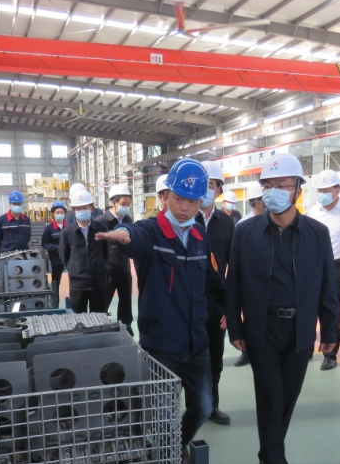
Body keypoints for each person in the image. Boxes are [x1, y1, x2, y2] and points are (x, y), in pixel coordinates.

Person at [226, 153, 339, 464]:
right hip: (262, 329)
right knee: (271, 399)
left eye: (281, 185)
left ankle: (268, 454)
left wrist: (330, 329)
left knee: (286, 400)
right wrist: (236, 327)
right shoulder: (245, 232)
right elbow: (234, 283)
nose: (273, 191)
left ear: (297, 190)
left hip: (300, 329)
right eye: (268, 185)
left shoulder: (317, 234)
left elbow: (328, 284)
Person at [94, 158, 213, 448]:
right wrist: (124, 235)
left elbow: (210, 283)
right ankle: (163, 458)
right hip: (162, 346)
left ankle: (176, 448)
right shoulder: (152, 231)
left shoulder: (200, 236)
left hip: (197, 344)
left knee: (203, 408)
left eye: (192, 201)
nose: (184, 207)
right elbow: (137, 236)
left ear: (201, 202)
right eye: (179, 198)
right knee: (160, 414)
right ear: (166, 196)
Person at [307, 169, 340, 371]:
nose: (323, 194)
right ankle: (306, 347)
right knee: (309, 307)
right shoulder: (313, 212)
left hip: (336, 266)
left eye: (327, 190)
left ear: (338, 190)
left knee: (332, 309)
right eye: (320, 190)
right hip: (312, 265)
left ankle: (330, 354)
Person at [197, 161, 235, 425]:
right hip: (186, 300)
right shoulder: (184, 219)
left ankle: (211, 406)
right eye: (202, 184)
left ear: (219, 190)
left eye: (211, 184)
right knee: (185, 357)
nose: (206, 189)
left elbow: (235, 267)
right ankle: (186, 407)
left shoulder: (227, 224)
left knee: (214, 358)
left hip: (215, 303)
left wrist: (229, 308)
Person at [60, 187, 109, 314]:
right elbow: (64, 255)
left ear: (92, 209)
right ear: (74, 210)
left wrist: (100, 267)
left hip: (99, 282)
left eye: (85, 207)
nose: (82, 211)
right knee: (78, 319)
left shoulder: (101, 229)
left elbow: (106, 252)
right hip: (77, 284)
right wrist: (75, 270)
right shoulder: (67, 232)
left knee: (99, 319)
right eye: (79, 208)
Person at [233, 182, 265, 368]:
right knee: (249, 315)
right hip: (250, 277)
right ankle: (247, 351)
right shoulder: (243, 225)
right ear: (257, 202)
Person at [101, 184, 135, 334]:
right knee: (103, 301)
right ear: (113, 202)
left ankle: (126, 328)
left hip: (124, 267)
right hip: (107, 270)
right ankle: (100, 327)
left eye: (128, 204)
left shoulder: (128, 219)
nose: (125, 207)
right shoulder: (102, 221)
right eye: (123, 204)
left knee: (126, 301)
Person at [42, 201, 67, 308]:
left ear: (65, 213)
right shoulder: (49, 228)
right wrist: (57, 247)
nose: (60, 214)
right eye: (57, 212)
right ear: (53, 213)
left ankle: (73, 302)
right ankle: (55, 302)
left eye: (62, 212)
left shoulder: (69, 226)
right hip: (56, 260)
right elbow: (45, 243)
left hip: (70, 258)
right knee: (56, 282)